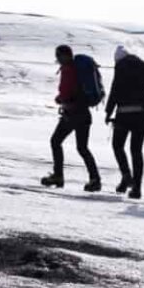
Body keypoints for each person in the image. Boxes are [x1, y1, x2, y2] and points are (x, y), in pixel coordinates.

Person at [106, 44, 144, 199]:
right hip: (143, 114)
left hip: (124, 113)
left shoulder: (121, 67)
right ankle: (137, 188)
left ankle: (126, 176)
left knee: (117, 146)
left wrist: (108, 112)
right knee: (136, 150)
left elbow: (114, 91)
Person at [44, 43, 102, 192]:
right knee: (82, 148)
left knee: (56, 141)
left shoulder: (69, 69)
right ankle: (95, 179)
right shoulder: (77, 68)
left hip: (72, 114)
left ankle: (58, 176)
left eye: (58, 56)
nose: (57, 59)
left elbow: (66, 90)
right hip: (84, 114)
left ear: (63, 56)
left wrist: (60, 99)